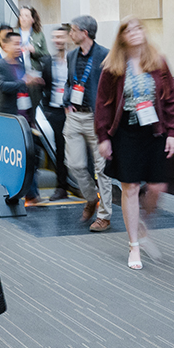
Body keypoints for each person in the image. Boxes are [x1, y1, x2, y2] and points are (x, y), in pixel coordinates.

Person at [95, 17, 174, 270]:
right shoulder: (113, 66)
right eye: (127, 30)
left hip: (155, 132)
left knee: (157, 188)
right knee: (129, 187)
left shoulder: (158, 62)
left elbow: (172, 99)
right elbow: (102, 104)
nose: (133, 33)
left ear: (143, 33)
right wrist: (103, 137)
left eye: (137, 28)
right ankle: (134, 245)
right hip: (126, 133)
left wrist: (173, 132)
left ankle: (140, 222)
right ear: (121, 37)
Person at [64, 16, 112, 229]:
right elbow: (69, 82)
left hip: (96, 118)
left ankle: (104, 215)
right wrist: (67, 101)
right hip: (74, 116)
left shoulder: (105, 56)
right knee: (74, 164)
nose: (70, 34)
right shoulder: (71, 55)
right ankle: (91, 198)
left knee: (102, 169)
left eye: (73, 30)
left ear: (84, 33)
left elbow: (111, 88)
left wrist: (106, 116)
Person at [0, 31, 44, 202]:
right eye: (14, 43)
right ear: (4, 46)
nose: (18, 47)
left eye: (19, 43)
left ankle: (32, 194)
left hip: (26, 116)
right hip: (8, 119)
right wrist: (24, 82)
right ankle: (15, 193)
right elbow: (1, 86)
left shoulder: (20, 65)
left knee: (32, 154)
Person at [40, 24, 71, 200]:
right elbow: (44, 83)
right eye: (55, 37)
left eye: (61, 37)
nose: (57, 41)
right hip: (55, 111)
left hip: (72, 111)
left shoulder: (73, 59)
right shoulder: (47, 61)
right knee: (60, 149)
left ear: (67, 38)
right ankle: (62, 187)